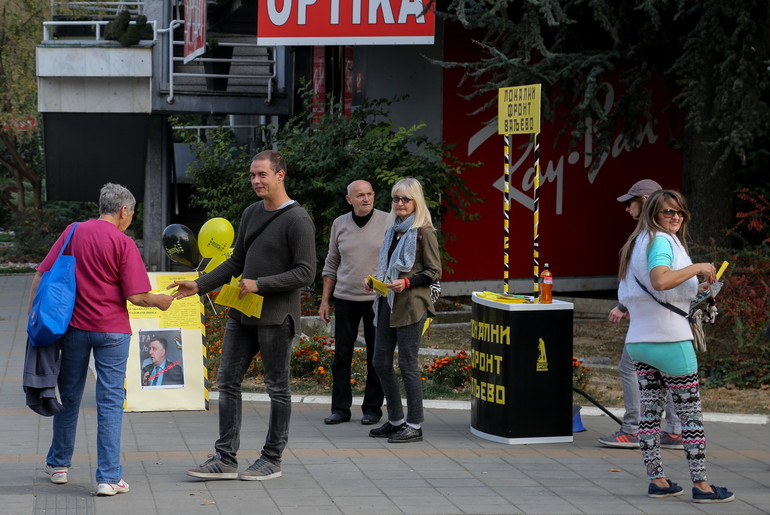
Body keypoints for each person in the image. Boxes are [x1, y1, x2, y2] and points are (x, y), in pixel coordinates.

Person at [173, 150, 316, 481]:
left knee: (277, 387)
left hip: (276, 317)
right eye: (252, 175)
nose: (255, 181)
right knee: (227, 380)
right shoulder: (251, 213)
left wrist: (261, 284)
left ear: (281, 175)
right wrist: (198, 283)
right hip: (242, 313)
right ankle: (225, 457)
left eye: (262, 175)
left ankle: (272, 458)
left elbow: (306, 272)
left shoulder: (298, 220)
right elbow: (236, 261)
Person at [33, 183, 173, 496]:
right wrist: (161, 301)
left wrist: (34, 320)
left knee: (68, 395)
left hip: (74, 329)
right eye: (132, 214)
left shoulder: (72, 232)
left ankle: (58, 464)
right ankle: (109, 477)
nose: (130, 219)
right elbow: (136, 296)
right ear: (124, 210)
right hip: (112, 332)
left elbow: (42, 274)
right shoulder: (123, 243)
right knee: (109, 401)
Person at [617, 189, 734, 503]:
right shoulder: (662, 241)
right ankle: (702, 486)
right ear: (653, 213)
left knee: (650, 414)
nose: (675, 217)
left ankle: (657, 480)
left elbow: (646, 291)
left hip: (638, 341)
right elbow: (660, 280)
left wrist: (698, 289)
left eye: (679, 212)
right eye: (668, 211)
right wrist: (698, 268)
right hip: (670, 341)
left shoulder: (635, 243)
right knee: (690, 417)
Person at [601, 179, 683, 450]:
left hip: (651, 320)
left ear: (646, 201)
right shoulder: (665, 237)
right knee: (671, 374)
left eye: (630, 202)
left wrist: (626, 304)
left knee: (631, 368)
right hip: (666, 319)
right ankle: (674, 430)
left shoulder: (651, 238)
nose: (627, 208)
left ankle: (634, 429)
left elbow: (655, 280)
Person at [366, 177, 441, 443]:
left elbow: (434, 272)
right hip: (387, 301)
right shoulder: (393, 230)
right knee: (379, 362)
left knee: (408, 365)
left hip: (411, 305)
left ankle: (414, 425)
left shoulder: (424, 231)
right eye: (396, 199)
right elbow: (387, 268)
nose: (399, 203)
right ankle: (396, 420)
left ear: (416, 202)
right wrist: (375, 282)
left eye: (405, 199)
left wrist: (407, 282)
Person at [319, 180, 387, 426]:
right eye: (360, 195)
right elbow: (331, 263)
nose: (366, 199)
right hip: (345, 298)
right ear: (349, 199)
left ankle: (372, 409)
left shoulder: (388, 221)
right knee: (341, 356)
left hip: (377, 300)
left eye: (369, 194)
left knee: (376, 357)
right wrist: (325, 300)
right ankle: (340, 409)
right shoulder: (339, 224)